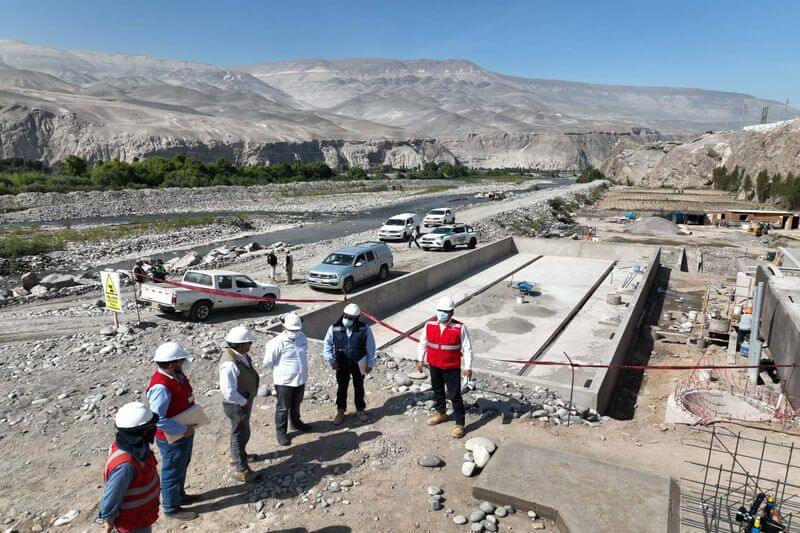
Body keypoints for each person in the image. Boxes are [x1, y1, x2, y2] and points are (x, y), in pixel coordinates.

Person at [146, 342, 199, 521]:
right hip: (174, 436)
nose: (183, 363)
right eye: (180, 361)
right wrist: (184, 429)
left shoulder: (175, 375)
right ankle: (171, 508)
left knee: (182, 464)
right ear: (171, 364)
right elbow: (157, 419)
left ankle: (179, 495)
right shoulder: (161, 387)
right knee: (172, 470)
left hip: (183, 431)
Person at [416, 296, 473, 439]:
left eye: (445, 311)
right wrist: (420, 360)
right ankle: (441, 413)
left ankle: (460, 424)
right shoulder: (429, 325)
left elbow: (467, 349)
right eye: (440, 310)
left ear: (452, 312)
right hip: (434, 365)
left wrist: (468, 366)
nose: (442, 313)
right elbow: (423, 343)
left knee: (455, 395)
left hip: (451, 368)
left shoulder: (459, 327)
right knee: (438, 391)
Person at [99, 402, 160, 533]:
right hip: (133, 523)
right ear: (142, 431)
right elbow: (112, 495)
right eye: (151, 426)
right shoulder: (126, 464)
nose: (154, 429)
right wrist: (108, 520)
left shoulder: (134, 447)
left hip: (142, 516)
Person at [218, 326, 262, 482]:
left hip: (242, 401)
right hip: (237, 404)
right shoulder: (229, 364)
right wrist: (243, 402)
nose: (251, 344)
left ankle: (239, 456)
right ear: (241, 344)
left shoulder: (239, 355)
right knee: (239, 434)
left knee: (242, 432)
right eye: (249, 342)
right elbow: (228, 391)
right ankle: (241, 470)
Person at [323, 303, 377, 424]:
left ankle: (360, 409)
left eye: (351, 318)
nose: (347, 319)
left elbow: (371, 347)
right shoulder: (334, 328)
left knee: (359, 386)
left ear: (356, 318)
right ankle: (340, 410)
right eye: (345, 316)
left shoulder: (364, 328)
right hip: (341, 364)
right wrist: (331, 361)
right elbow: (327, 345)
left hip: (359, 363)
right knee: (342, 387)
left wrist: (370, 363)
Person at [263, 313, 311, 446]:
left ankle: (296, 423)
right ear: (284, 327)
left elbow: (304, 352)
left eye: (297, 330)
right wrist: (281, 372)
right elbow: (267, 362)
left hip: (300, 379)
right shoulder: (276, 343)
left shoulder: (302, 338)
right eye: (292, 330)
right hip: (284, 382)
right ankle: (281, 432)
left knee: (296, 403)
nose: (295, 332)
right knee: (283, 408)